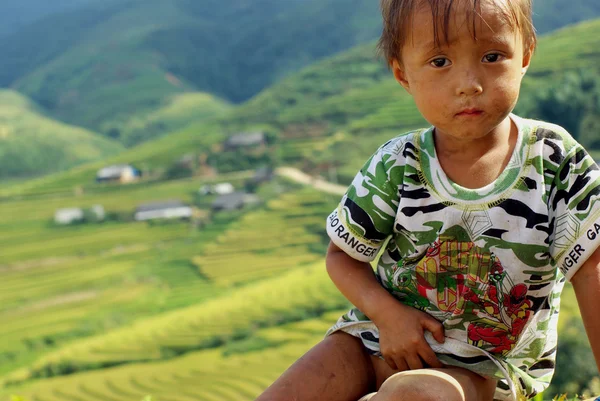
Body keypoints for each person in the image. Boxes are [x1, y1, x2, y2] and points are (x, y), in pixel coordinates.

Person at [255, 0, 600, 400]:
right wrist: (388, 317)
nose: (469, 83)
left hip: (481, 370)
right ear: (403, 75)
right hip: (376, 342)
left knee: (415, 395)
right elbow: (342, 256)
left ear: (525, 54)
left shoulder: (554, 161)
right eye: (440, 62)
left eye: (492, 56)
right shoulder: (397, 164)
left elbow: (592, 269)